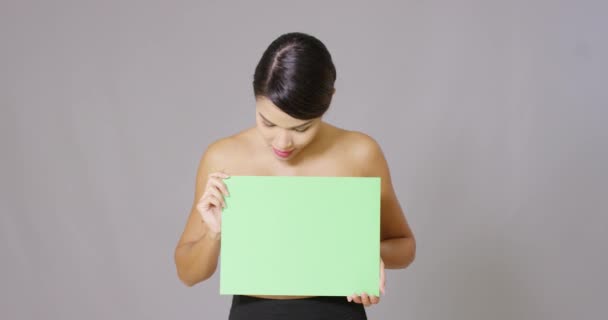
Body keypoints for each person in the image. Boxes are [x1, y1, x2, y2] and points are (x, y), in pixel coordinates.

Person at [174, 32, 416, 320]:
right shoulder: (223, 158)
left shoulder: (360, 153)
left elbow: (404, 246)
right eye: (267, 122)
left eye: (301, 128)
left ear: (329, 101)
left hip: (338, 312)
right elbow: (188, 273)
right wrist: (214, 233)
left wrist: (365, 255)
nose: (282, 143)